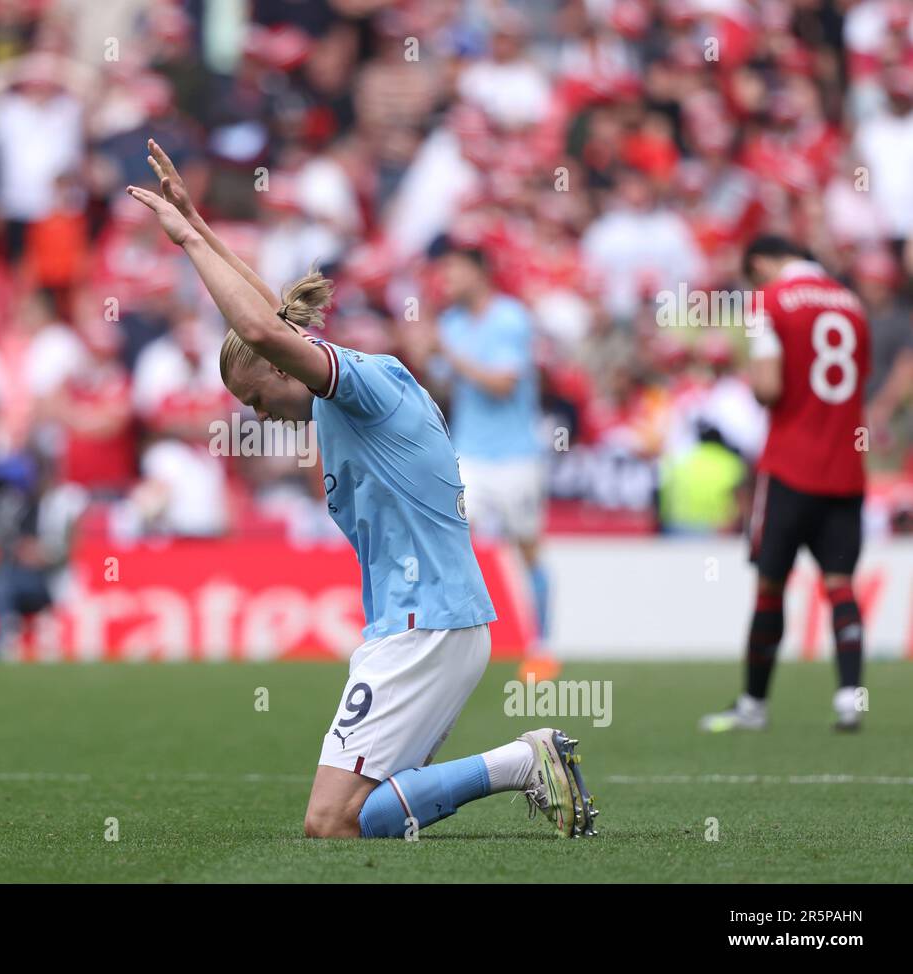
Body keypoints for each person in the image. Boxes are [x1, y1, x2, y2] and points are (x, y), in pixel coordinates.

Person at [128, 139, 598, 839]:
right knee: (360, 818)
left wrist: (187, 242)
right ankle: (522, 762)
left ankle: (524, 760)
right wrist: (205, 229)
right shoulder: (339, 391)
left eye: (257, 398)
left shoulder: (360, 387)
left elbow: (260, 327)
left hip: (424, 628)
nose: (259, 415)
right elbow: (268, 319)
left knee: (329, 823)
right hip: (427, 623)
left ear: (286, 370)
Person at [701, 237, 871, 733]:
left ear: (759, 264)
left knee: (771, 585)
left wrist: (752, 376)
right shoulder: (851, 302)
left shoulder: (769, 302)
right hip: (845, 466)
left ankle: (754, 705)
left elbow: (769, 388)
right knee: (840, 585)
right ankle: (848, 699)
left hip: (790, 467)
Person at [426, 240, 552, 645]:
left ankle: (541, 644)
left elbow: (502, 384)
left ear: (479, 272)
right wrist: (423, 355)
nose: (447, 280)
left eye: (454, 271)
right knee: (451, 538)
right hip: (470, 454)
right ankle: (457, 639)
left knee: (526, 549)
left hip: (515, 456)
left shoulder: (509, 318)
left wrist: (448, 352)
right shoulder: (451, 323)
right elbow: (445, 387)